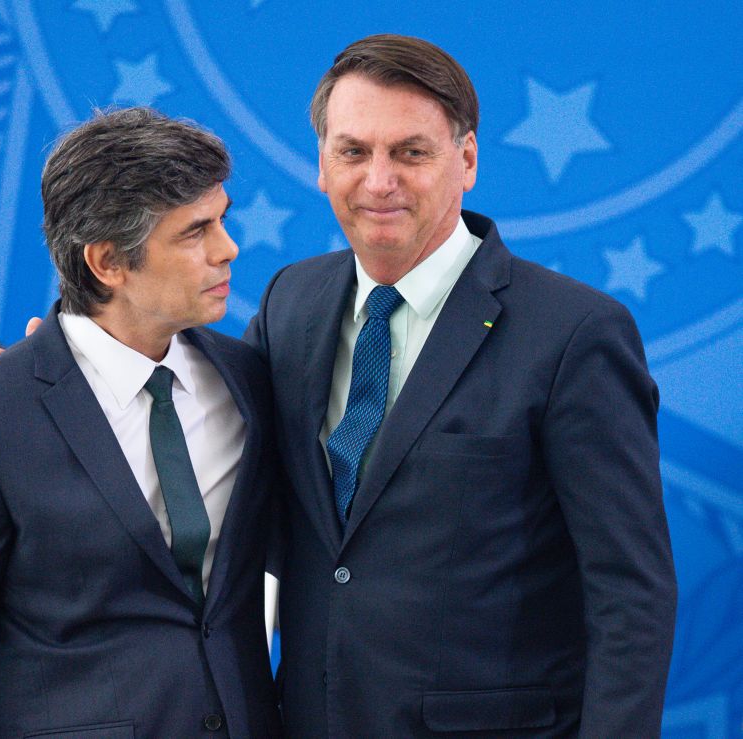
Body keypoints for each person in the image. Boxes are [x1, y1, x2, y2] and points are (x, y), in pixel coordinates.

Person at [244, 34, 677, 736]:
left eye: (410, 153)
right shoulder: (288, 302)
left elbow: (631, 592)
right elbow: (204, 432)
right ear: (321, 165)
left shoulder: (575, 332)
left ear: (467, 160)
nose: (379, 181)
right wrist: (52, 379)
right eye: (354, 152)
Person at [0, 107, 281, 738]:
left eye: (223, 220)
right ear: (107, 262)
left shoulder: (251, 382)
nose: (227, 249)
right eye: (194, 232)